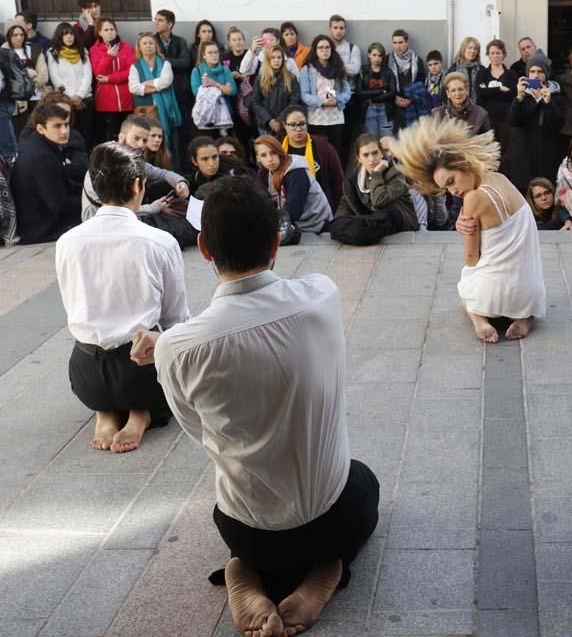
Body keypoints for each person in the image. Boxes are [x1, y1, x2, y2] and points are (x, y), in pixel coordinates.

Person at [134, 175, 378, 636]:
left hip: (247, 531)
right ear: (275, 242)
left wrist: (166, 347)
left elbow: (199, 432)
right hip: (333, 520)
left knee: (232, 491)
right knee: (363, 480)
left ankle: (243, 568)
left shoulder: (178, 348)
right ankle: (327, 567)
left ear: (204, 248)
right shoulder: (322, 293)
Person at [57, 141, 187, 456]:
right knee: (174, 341)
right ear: (137, 185)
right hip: (142, 374)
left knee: (97, 345)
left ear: (96, 188)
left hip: (86, 375)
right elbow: (176, 319)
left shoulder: (67, 241)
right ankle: (141, 411)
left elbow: (75, 308)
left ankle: (105, 410)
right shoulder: (159, 241)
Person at [394, 115, 546, 341]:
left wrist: (466, 225)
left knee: (465, 286)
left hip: (492, 297)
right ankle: (524, 319)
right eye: (446, 188)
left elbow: (471, 258)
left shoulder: (473, 199)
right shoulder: (500, 178)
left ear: (464, 164)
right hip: (531, 295)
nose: (453, 191)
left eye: (452, 181)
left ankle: (480, 320)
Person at [80, 115, 194, 249]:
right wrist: (152, 208)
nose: (141, 145)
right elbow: (112, 209)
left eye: (144, 140)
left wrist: (180, 183)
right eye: (136, 138)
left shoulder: (132, 160)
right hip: (100, 226)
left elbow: (162, 173)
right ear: (122, 137)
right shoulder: (102, 162)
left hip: (129, 220)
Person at [10, 104, 88, 244]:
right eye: (57, 126)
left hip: (41, 224)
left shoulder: (42, 146)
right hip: (42, 230)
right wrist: (93, 204)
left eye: (66, 125)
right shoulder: (42, 156)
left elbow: (65, 186)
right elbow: (59, 205)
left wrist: (91, 194)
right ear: (41, 128)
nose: (64, 131)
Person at [330, 133, 418, 245]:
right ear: (359, 158)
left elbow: (379, 201)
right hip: (368, 218)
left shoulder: (396, 172)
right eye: (366, 155)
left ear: (381, 153)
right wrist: (339, 222)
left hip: (398, 219)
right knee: (339, 224)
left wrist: (377, 174)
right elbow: (345, 205)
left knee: (385, 211)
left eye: (375, 153)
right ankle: (361, 230)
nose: (371, 159)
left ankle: (361, 231)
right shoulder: (354, 178)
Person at [503, 50, 564, 190]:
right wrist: (519, 98)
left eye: (540, 71)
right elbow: (513, 121)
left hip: (546, 156)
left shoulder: (556, 95)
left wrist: (548, 102)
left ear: (546, 74)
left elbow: (558, 124)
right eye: (532, 71)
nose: (536, 75)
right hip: (523, 157)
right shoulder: (522, 96)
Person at [254, 135, 333, 235]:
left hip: (318, 228)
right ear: (258, 158)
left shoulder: (296, 172)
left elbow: (292, 211)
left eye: (273, 153)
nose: (270, 159)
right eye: (263, 155)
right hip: (298, 226)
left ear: (280, 152)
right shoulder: (267, 173)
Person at [280, 105, 345, 213]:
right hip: (288, 211)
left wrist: (339, 212)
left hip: (321, 211)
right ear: (284, 125)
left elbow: (338, 180)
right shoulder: (277, 150)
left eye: (302, 124)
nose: (298, 129)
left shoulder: (323, 148)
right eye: (292, 125)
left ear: (307, 123)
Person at [299, 35, 351, 160]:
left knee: (336, 153)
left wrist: (337, 99)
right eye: (321, 47)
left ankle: (338, 179)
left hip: (335, 117)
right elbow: (304, 94)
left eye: (327, 47)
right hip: (316, 118)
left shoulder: (338, 68)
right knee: (318, 153)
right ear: (315, 51)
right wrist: (321, 101)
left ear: (332, 50)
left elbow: (347, 91)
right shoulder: (307, 70)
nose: (324, 50)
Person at [130, 32, 183, 150]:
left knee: (165, 139)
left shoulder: (165, 63)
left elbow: (167, 81)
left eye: (151, 43)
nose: (148, 46)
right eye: (145, 43)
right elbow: (133, 88)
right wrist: (157, 87)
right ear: (139, 47)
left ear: (156, 46)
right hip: (145, 109)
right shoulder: (135, 66)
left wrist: (146, 84)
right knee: (145, 139)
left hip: (165, 108)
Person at [47, 22, 94, 145]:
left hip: (84, 100)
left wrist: (79, 96)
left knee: (87, 133)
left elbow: (87, 75)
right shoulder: (53, 53)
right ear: (59, 36)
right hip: (65, 100)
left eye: (72, 34)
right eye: (66, 34)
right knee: (69, 133)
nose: (69, 37)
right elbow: (55, 78)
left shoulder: (82, 51)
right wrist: (71, 98)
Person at [153, 9, 192, 160]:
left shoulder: (180, 41)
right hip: (162, 92)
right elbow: (154, 63)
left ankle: (184, 163)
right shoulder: (152, 40)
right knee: (164, 130)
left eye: (160, 20)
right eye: (156, 20)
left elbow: (185, 62)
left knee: (182, 130)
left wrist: (166, 60)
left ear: (170, 24)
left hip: (180, 91)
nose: (156, 23)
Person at [90, 17, 135, 143]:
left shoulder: (127, 48)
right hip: (106, 100)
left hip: (126, 98)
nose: (110, 32)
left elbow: (131, 72)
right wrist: (108, 56)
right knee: (111, 136)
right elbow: (98, 73)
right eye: (106, 30)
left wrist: (110, 78)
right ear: (99, 32)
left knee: (128, 135)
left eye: (112, 29)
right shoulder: (95, 50)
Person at [2, 24, 49, 137]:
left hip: (36, 96)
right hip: (17, 101)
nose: (19, 37)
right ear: (8, 36)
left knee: (40, 129)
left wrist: (27, 85)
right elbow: (8, 76)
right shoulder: (3, 53)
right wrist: (30, 74)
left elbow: (43, 76)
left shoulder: (34, 50)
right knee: (22, 132)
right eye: (15, 35)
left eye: (22, 34)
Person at [251, 45, 301, 136]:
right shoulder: (260, 79)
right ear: (268, 60)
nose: (276, 60)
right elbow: (255, 102)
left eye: (279, 57)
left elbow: (294, 101)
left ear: (283, 59)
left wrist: (280, 119)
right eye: (273, 57)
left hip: (286, 124)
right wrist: (269, 120)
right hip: (265, 125)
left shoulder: (291, 78)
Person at [190, 40, 236, 138]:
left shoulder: (225, 70)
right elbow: (197, 93)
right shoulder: (197, 71)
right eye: (210, 52)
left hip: (225, 118)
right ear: (204, 55)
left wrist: (214, 84)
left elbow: (232, 91)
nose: (214, 55)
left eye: (216, 52)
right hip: (206, 118)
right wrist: (223, 88)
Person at [388, 30, 430, 129]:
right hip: (393, 104)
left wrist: (410, 99)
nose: (398, 46)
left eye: (401, 42)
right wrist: (394, 98)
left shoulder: (416, 60)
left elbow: (421, 83)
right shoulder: (388, 60)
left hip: (412, 106)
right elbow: (385, 83)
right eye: (395, 43)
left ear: (407, 42)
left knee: (411, 137)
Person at [357, 43, 396, 138]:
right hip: (369, 110)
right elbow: (359, 93)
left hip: (385, 111)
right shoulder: (363, 70)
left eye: (380, 55)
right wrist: (379, 92)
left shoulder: (388, 71)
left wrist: (371, 97)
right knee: (371, 140)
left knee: (387, 140)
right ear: (369, 55)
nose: (377, 58)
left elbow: (392, 93)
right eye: (374, 55)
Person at [189, 137, 253, 195]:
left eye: (215, 157)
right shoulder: (192, 181)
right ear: (194, 161)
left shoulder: (237, 174)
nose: (211, 163)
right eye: (205, 159)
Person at [329, 15, 362, 89]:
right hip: (329, 90)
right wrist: (346, 67)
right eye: (335, 28)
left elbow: (356, 69)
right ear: (330, 30)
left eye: (341, 28)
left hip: (349, 91)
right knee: (328, 100)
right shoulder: (325, 48)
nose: (338, 31)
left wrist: (334, 66)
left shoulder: (353, 48)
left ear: (345, 30)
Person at [448, 36, 483, 103]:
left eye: (475, 49)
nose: (473, 51)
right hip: (458, 108)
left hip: (477, 108)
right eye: (470, 48)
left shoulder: (481, 69)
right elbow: (446, 89)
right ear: (463, 49)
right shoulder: (454, 68)